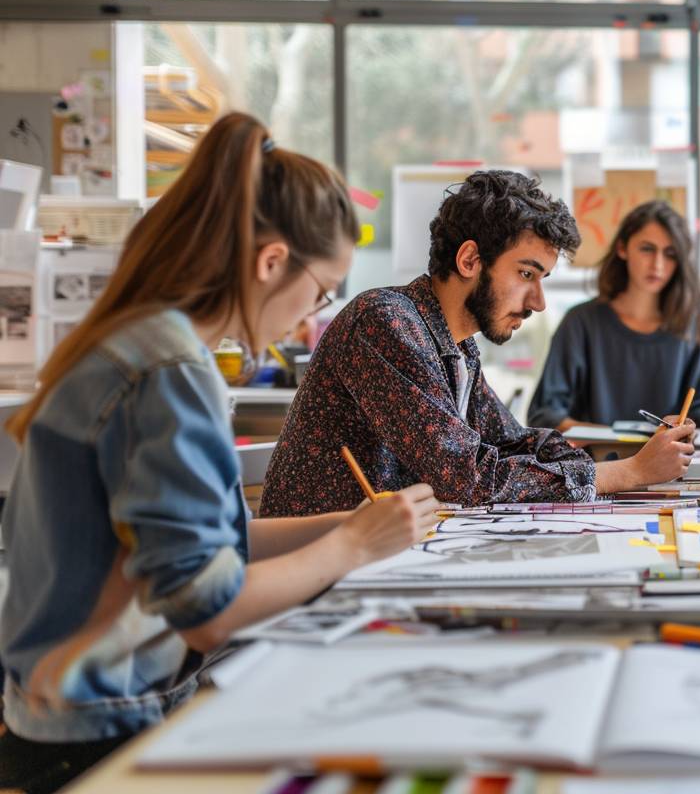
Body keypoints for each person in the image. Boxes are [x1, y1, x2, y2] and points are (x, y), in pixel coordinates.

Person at [0, 113, 441, 794]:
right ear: (271, 263)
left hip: (61, 719)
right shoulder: (170, 368)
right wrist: (351, 545)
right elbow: (207, 613)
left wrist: (357, 526)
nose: (307, 322)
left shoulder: (134, 340)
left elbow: (217, 543)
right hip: (100, 732)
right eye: (319, 294)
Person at [261, 172, 695, 517]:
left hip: (375, 557)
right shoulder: (386, 323)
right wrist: (628, 472)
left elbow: (515, 442)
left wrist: (640, 456)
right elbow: (466, 477)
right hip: (320, 570)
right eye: (527, 274)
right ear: (470, 260)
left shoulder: (456, 346)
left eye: (542, 280)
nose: (539, 303)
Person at [528, 201, 700, 432]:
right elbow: (546, 415)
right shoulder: (581, 322)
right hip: (600, 470)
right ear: (622, 248)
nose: (658, 265)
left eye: (670, 254)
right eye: (647, 249)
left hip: (675, 468)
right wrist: (614, 441)